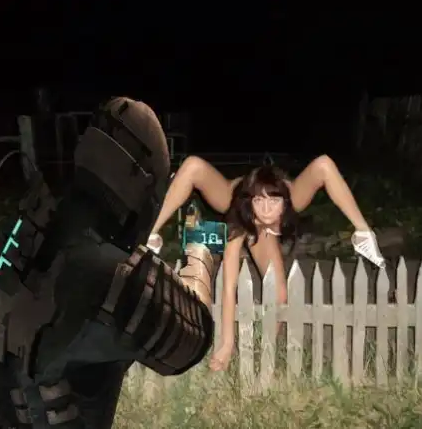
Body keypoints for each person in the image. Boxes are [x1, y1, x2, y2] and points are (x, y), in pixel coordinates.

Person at [0, 97, 216, 428]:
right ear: (141, 181)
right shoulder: (111, 274)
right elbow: (193, 337)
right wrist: (201, 255)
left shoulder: (23, 230)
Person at [145, 155, 385, 373]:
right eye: (260, 201)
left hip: (268, 214)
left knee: (280, 294)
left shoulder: (293, 198)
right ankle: (150, 232)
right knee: (193, 166)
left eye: (274, 202)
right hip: (232, 197)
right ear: (251, 202)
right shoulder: (240, 220)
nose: (267, 209)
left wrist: (361, 228)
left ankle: (364, 235)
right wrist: (227, 344)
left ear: (284, 202)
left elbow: (323, 167)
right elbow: (229, 287)